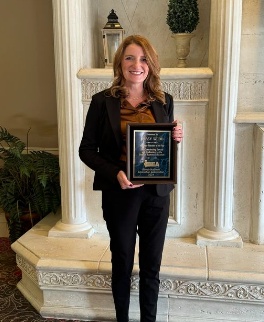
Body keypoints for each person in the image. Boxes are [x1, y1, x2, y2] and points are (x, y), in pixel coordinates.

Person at [79, 35, 183, 322]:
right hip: (120, 193)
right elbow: (86, 150)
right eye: (129, 58)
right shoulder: (102, 102)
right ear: (120, 63)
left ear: (150, 65)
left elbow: (161, 147)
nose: (136, 65)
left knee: (152, 266)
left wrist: (175, 137)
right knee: (122, 262)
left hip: (156, 195)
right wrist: (116, 173)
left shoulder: (164, 101)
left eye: (143, 59)